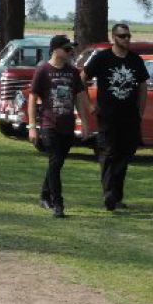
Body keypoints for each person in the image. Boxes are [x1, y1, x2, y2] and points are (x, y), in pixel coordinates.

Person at [82, 23, 149, 212]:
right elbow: (82, 78)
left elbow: (143, 87)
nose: (126, 39)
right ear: (114, 38)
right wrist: (89, 105)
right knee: (109, 153)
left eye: (128, 35)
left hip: (129, 117)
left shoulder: (135, 60)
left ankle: (116, 196)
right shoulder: (102, 58)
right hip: (108, 117)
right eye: (122, 36)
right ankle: (109, 195)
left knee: (125, 155)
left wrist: (140, 112)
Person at [28, 35, 91, 218]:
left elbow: (79, 98)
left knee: (57, 164)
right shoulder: (43, 71)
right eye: (67, 49)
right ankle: (58, 204)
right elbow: (32, 98)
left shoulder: (73, 72)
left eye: (71, 49)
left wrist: (85, 123)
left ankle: (44, 195)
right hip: (49, 124)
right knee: (55, 162)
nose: (71, 52)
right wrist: (32, 126)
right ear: (55, 50)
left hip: (67, 125)